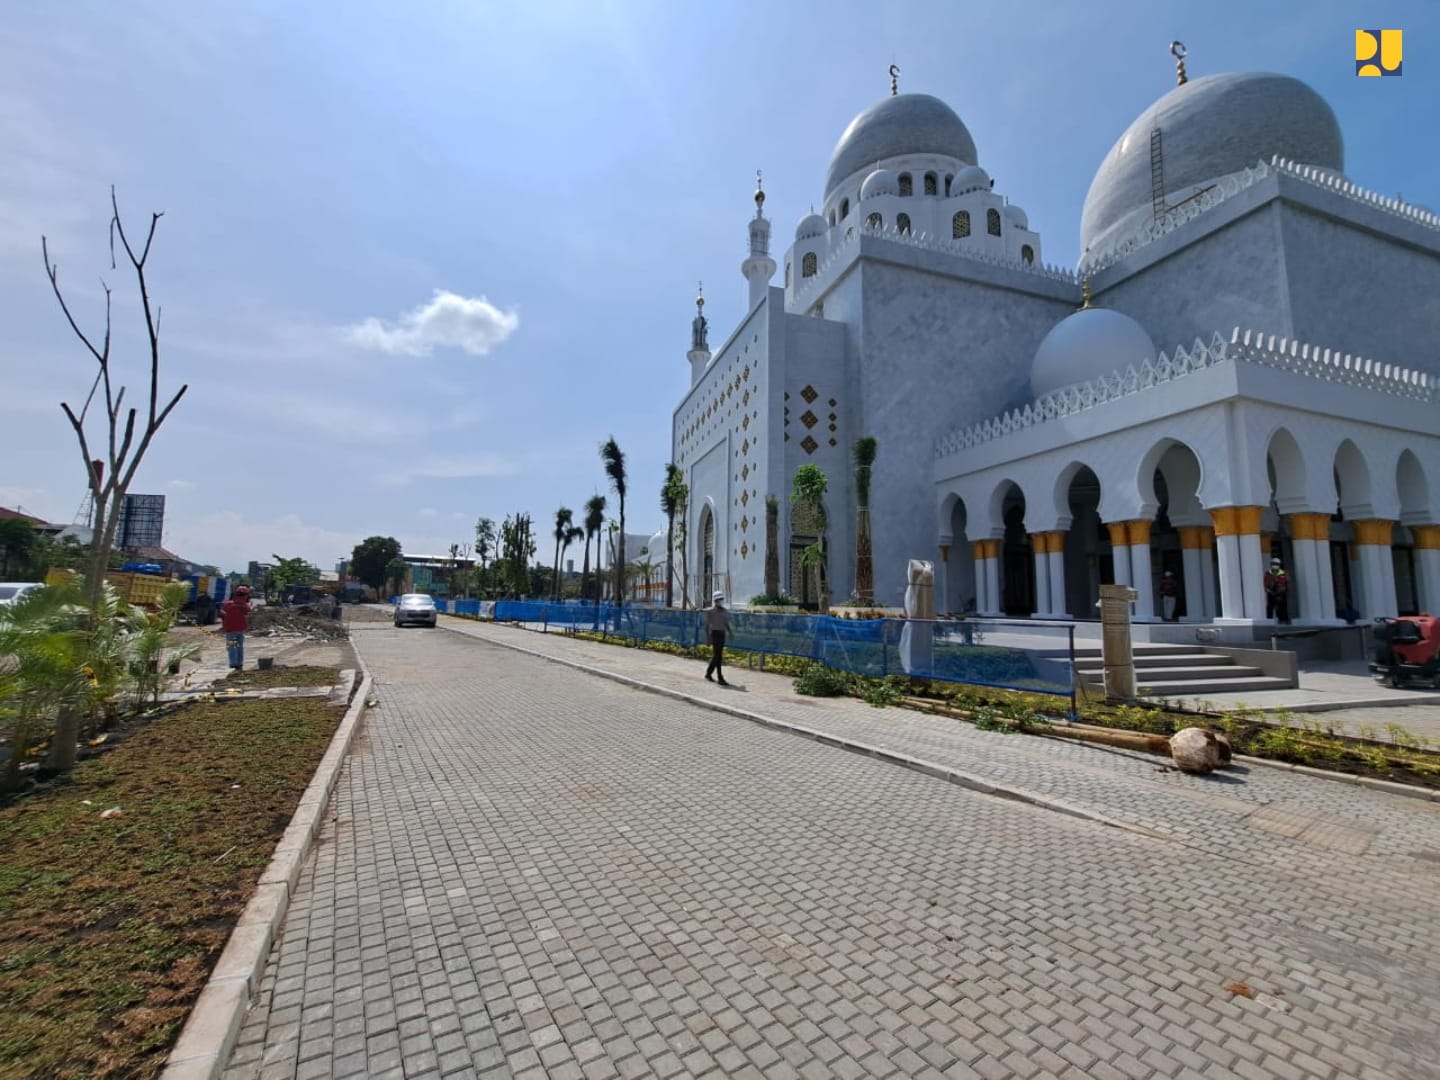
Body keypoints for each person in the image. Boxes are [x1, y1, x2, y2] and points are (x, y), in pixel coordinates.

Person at [220, 585, 254, 670]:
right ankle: (239, 663)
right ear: (246, 595)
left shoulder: (228, 604)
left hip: (230, 629)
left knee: (232, 647)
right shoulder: (245, 605)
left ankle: (233, 663)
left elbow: (222, 612)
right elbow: (248, 611)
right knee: (239, 647)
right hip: (240, 628)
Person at [704, 590, 731, 685]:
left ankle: (709, 673)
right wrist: (708, 639)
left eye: (722, 599)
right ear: (715, 600)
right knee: (717, 656)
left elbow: (726, 622)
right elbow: (707, 626)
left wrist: (730, 632)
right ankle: (720, 677)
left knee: (718, 656)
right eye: (720, 599)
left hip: (722, 634)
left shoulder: (724, 611)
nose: (721, 601)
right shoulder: (710, 611)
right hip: (714, 634)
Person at [1263, 557, 1290, 623]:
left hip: (1281, 594)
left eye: (1277, 564)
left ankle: (1284, 620)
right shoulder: (1268, 573)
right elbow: (1266, 583)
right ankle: (1269, 621)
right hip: (1271, 593)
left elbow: (1287, 583)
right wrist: (1268, 590)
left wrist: (1285, 590)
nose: (1275, 565)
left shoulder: (1283, 573)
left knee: (1282, 607)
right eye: (1274, 564)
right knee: (1270, 608)